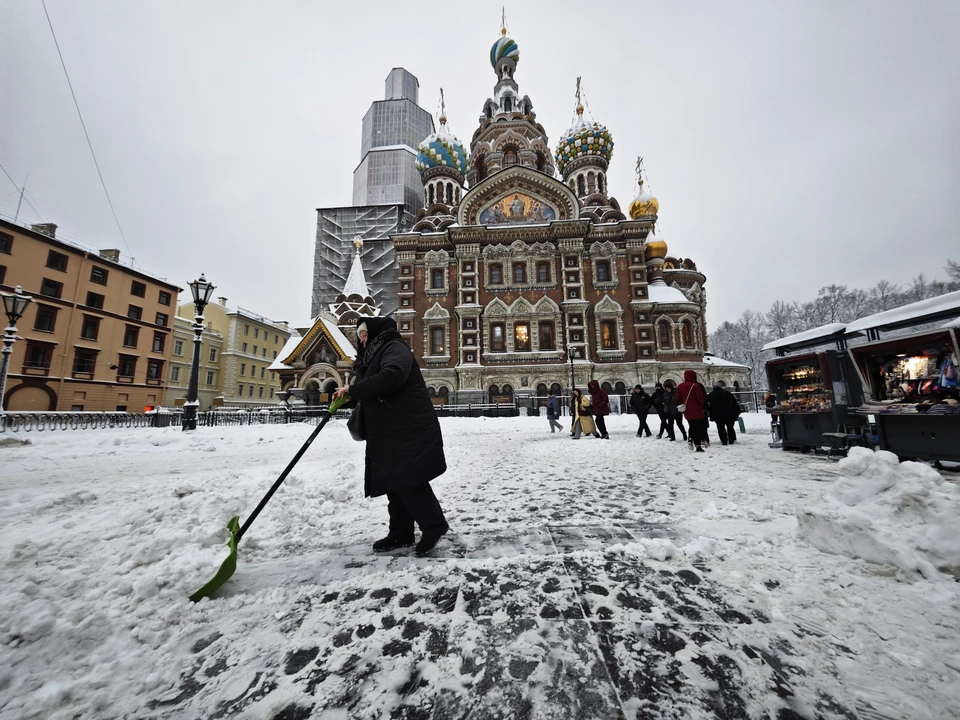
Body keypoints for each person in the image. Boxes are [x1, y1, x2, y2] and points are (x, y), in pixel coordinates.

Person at [333, 317, 449, 556]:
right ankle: (401, 533)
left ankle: (434, 525)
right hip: (391, 428)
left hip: (407, 427)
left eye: (365, 334)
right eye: (360, 336)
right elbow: (373, 387)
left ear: (376, 332)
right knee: (394, 483)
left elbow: (392, 376)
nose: (362, 339)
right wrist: (351, 396)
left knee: (408, 480)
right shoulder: (372, 356)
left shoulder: (394, 347)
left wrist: (353, 389)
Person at [677, 370, 709, 452]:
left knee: (691, 425)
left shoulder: (680, 386)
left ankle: (690, 439)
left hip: (687, 410)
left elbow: (678, 398)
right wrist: (701, 405)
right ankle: (697, 445)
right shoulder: (695, 386)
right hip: (697, 410)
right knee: (697, 427)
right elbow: (700, 398)